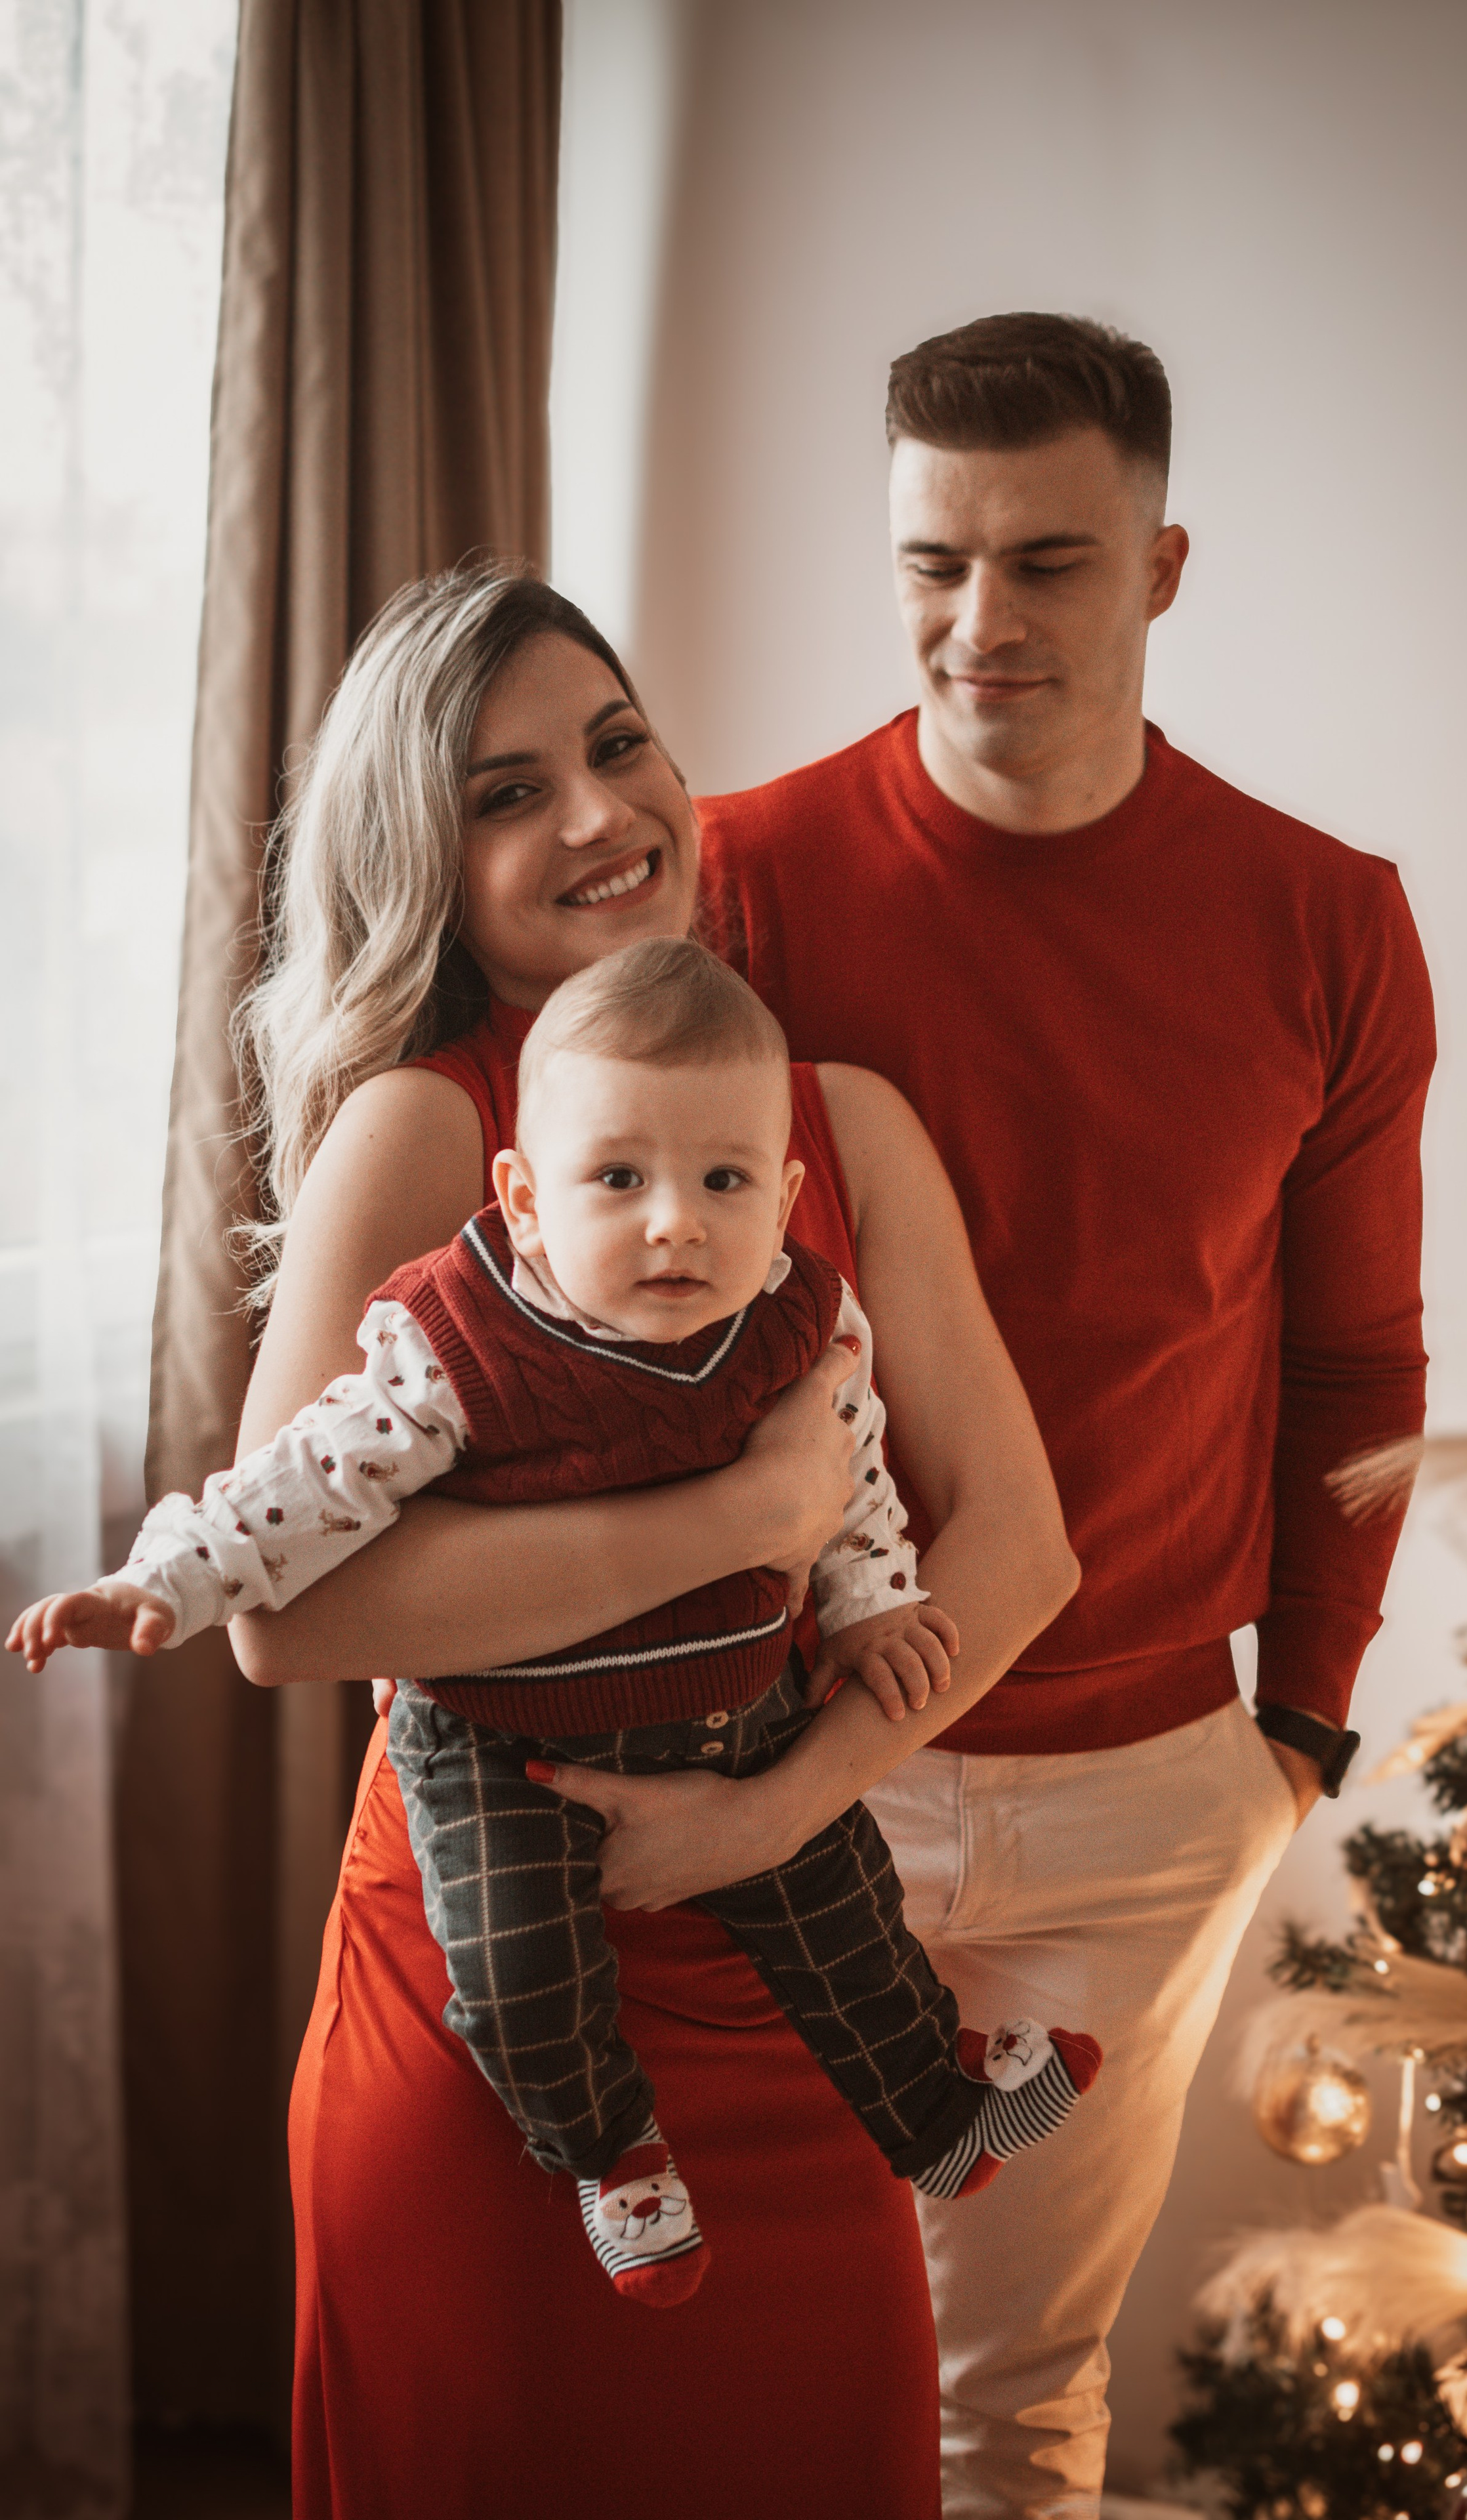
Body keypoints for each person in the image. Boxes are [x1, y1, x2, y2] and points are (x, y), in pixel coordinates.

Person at [183, 560, 1079, 2519]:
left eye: (615, 744)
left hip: (800, 1994)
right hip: (489, 2017)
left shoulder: (843, 1120)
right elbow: (283, 1622)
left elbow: (1018, 1548)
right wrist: (750, 1514)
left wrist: (787, 1807)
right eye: (507, 792)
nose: (598, 815)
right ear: (429, 860)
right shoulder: (420, 1133)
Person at [690, 312, 1436, 2515]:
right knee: (736, 2362)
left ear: (1164, 568)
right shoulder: (743, 880)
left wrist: (1298, 1725)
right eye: (933, 560)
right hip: (794, 1750)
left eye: (1048, 563)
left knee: (1014, 2414)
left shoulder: (1330, 923)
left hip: (1142, 1792)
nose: (978, 621)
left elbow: (1358, 1373)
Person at [17, 941, 1099, 2307]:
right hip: (501, 1744)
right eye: (617, 1181)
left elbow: (856, 1472)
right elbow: (305, 1482)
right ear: (525, 1201)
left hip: (735, 1712)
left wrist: (870, 1603)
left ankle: (933, 2116)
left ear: (784, 1197)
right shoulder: (457, 1345)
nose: (674, 1225)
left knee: (843, 1909)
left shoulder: (791, 1321)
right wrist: (162, 1583)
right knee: (520, 1972)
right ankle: (608, 2156)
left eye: (723, 1182)